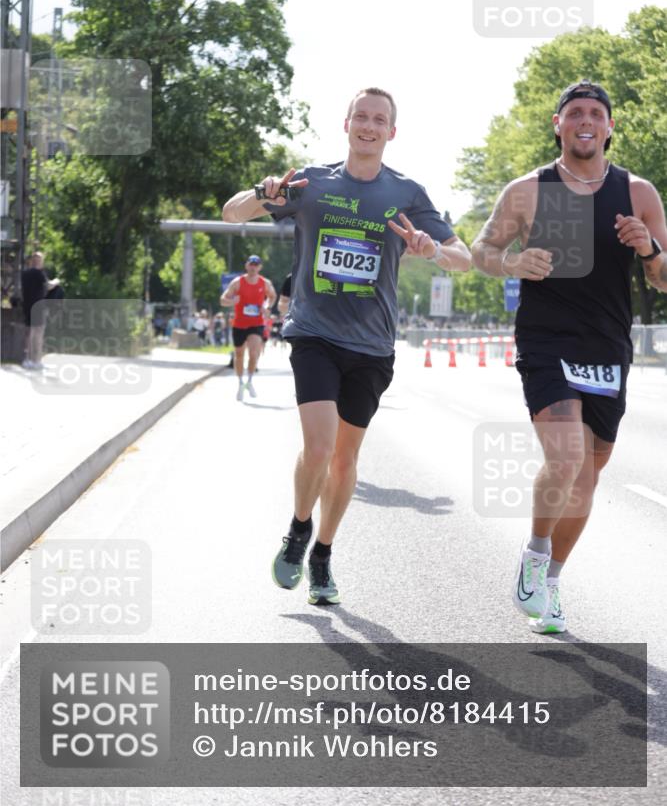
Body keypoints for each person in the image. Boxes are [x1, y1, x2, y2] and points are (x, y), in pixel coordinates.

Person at [223, 87, 472, 604]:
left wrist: (432, 250)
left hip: (373, 346)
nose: (369, 125)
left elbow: (463, 257)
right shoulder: (311, 183)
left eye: (380, 119)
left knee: (343, 461)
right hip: (314, 334)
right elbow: (231, 213)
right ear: (347, 123)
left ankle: (323, 554)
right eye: (362, 115)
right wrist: (263, 193)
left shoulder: (405, 193)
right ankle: (298, 529)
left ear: (391, 132)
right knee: (318, 445)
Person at [471, 79, 667, 633]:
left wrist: (649, 248)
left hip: (607, 344)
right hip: (546, 340)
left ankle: (552, 580)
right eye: (575, 112)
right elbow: (483, 251)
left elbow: (664, 277)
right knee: (565, 459)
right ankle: (534, 554)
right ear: (558, 124)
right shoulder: (529, 189)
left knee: (588, 475)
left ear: (609, 127)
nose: (586, 121)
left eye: (596, 114)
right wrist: (512, 264)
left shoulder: (638, 193)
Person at [220, 255, 277, 401]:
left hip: (256, 323)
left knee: (254, 353)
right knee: (239, 355)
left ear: (259, 267)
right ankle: (240, 383)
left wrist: (266, 306)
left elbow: (272, 296)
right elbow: (223, 300)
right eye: (251, 264)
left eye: (256, 265)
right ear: (246, 266)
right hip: (239, 323)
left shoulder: (265, 283)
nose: (253, 267)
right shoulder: (237, 282)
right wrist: (232, 300)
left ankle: (250, 381)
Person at [20, 251, 61, 369]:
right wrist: (56, 281)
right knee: (38, 333)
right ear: (40, 262)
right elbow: (48, 286)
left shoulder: (25, 273)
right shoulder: (39, 273)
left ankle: (26, 359)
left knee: (28, 333)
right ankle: (36, 361)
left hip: (27, 306)